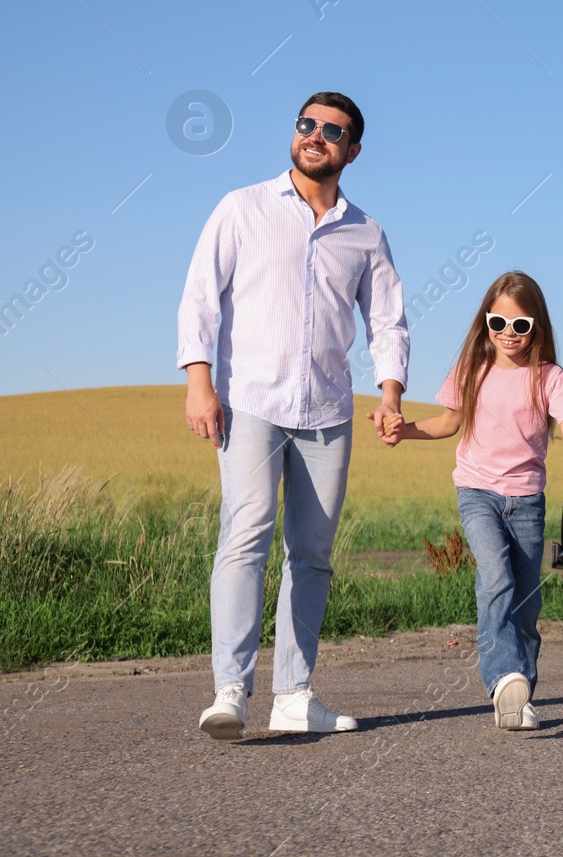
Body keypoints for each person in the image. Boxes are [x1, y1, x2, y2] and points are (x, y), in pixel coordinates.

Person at [179, 91, 408, 740]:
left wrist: (390, 394)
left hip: (328, 411)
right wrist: (200, 381)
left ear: (352, 150)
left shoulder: (365, 231)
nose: (316, 135)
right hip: (249, 399)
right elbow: (201, 296)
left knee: (311, 552)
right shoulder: (242, 207)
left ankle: (293, 695)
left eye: (332, 131)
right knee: (246, 532)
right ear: (295, 133)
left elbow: (387, 319)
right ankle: (230, 688)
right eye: (307, 124)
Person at [377, 271, 563, 731]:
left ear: (536, 326)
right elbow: (447, 423)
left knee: (525, 605)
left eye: (520, 326)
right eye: (498, 323)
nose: (508, 335)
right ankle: (502, 677)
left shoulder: (550, 378)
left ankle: (519, 698)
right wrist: (406, 429)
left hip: (527, 502)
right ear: (486, 321)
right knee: (495, 575)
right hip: (477, 492)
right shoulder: (471, 370)